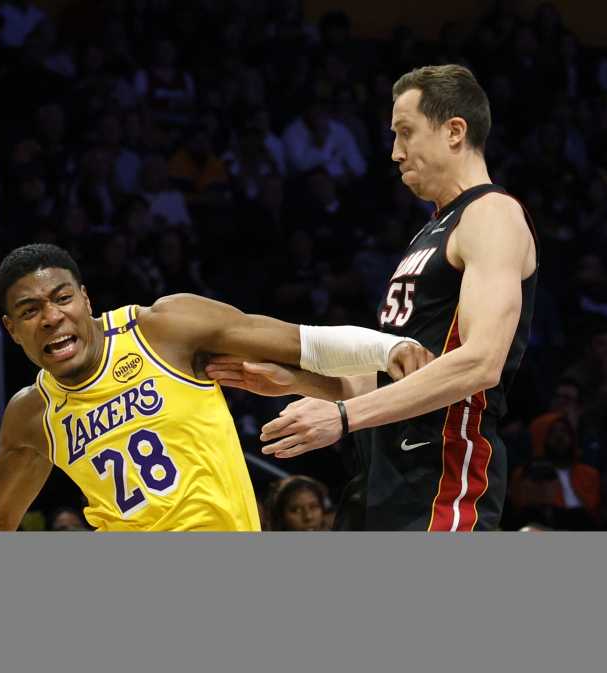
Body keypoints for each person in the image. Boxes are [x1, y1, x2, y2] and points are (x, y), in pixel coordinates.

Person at [0, 243, 430, 532]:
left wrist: (387, 348)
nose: (50, 317)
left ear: (85, 299)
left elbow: (302, 340)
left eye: (61, 299)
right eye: (29, 311)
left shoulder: (162, 327)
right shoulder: (32, 415)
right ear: (12, 331)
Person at [223, 65, 539, 531]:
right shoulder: (429, 233)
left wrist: (344, 416)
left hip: (442, 480)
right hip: (380, 476)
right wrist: (294, 380)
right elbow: (403, 375)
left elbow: (480, 364)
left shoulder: (492, 215)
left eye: (406, 133)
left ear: (455, 131)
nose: (395, 152)